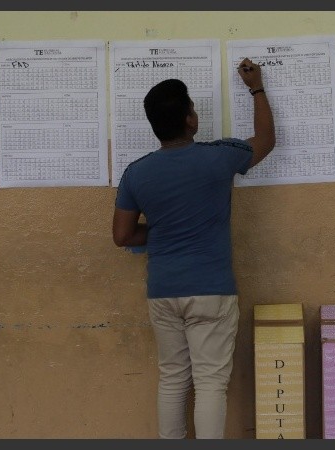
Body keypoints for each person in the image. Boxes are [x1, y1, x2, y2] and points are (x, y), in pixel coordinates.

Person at [112, 58, 275, 439]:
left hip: (163, 291)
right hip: (211, 290)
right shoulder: (219, 157)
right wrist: (257, 88)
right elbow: (266, 140)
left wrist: (167, 233)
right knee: (210, 384)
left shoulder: (136, 172)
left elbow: (122, 236)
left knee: (172, 379)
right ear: (189, 120)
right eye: (193, 108)